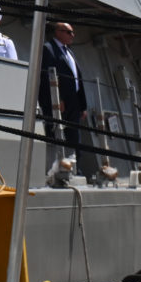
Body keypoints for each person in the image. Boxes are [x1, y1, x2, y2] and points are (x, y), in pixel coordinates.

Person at [39, 21, 90, 180]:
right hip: (59, 103)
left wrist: (82, 106)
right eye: (69, 32)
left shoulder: (69, 52)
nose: (72, 35)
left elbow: (77, 79)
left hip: (74, 102)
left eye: (73, 32)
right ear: (58, 32)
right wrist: (57, 99)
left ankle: (74, 170)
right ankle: (54, 171)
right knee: (56, 135)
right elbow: (46, 76)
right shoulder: (48, 49)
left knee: (74, 137)